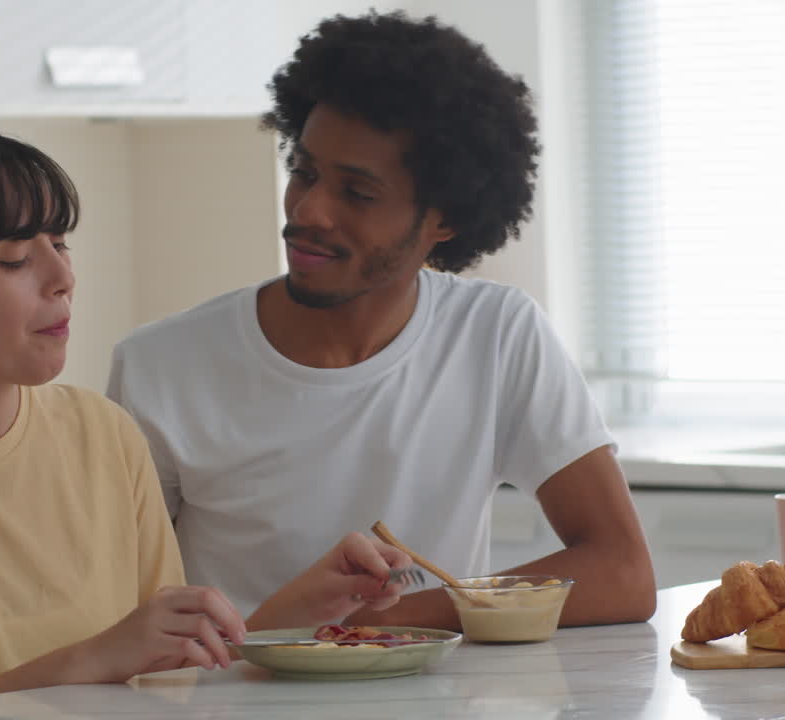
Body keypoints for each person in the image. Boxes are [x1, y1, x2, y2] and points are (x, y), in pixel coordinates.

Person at [0, 116, 412, 720]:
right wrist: (83, 664)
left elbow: (164, 682)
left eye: (59, 243)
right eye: (14, 259)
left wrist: (301, 613)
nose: (61, 277)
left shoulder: (103, 432)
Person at [106, 11, 656, 631]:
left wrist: (373, 631)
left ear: (442, 220)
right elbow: (120, 615)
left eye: (358, 194)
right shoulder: (161, 367)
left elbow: (623, 573)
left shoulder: (496, 334)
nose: (309, 210)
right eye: (305, 172)